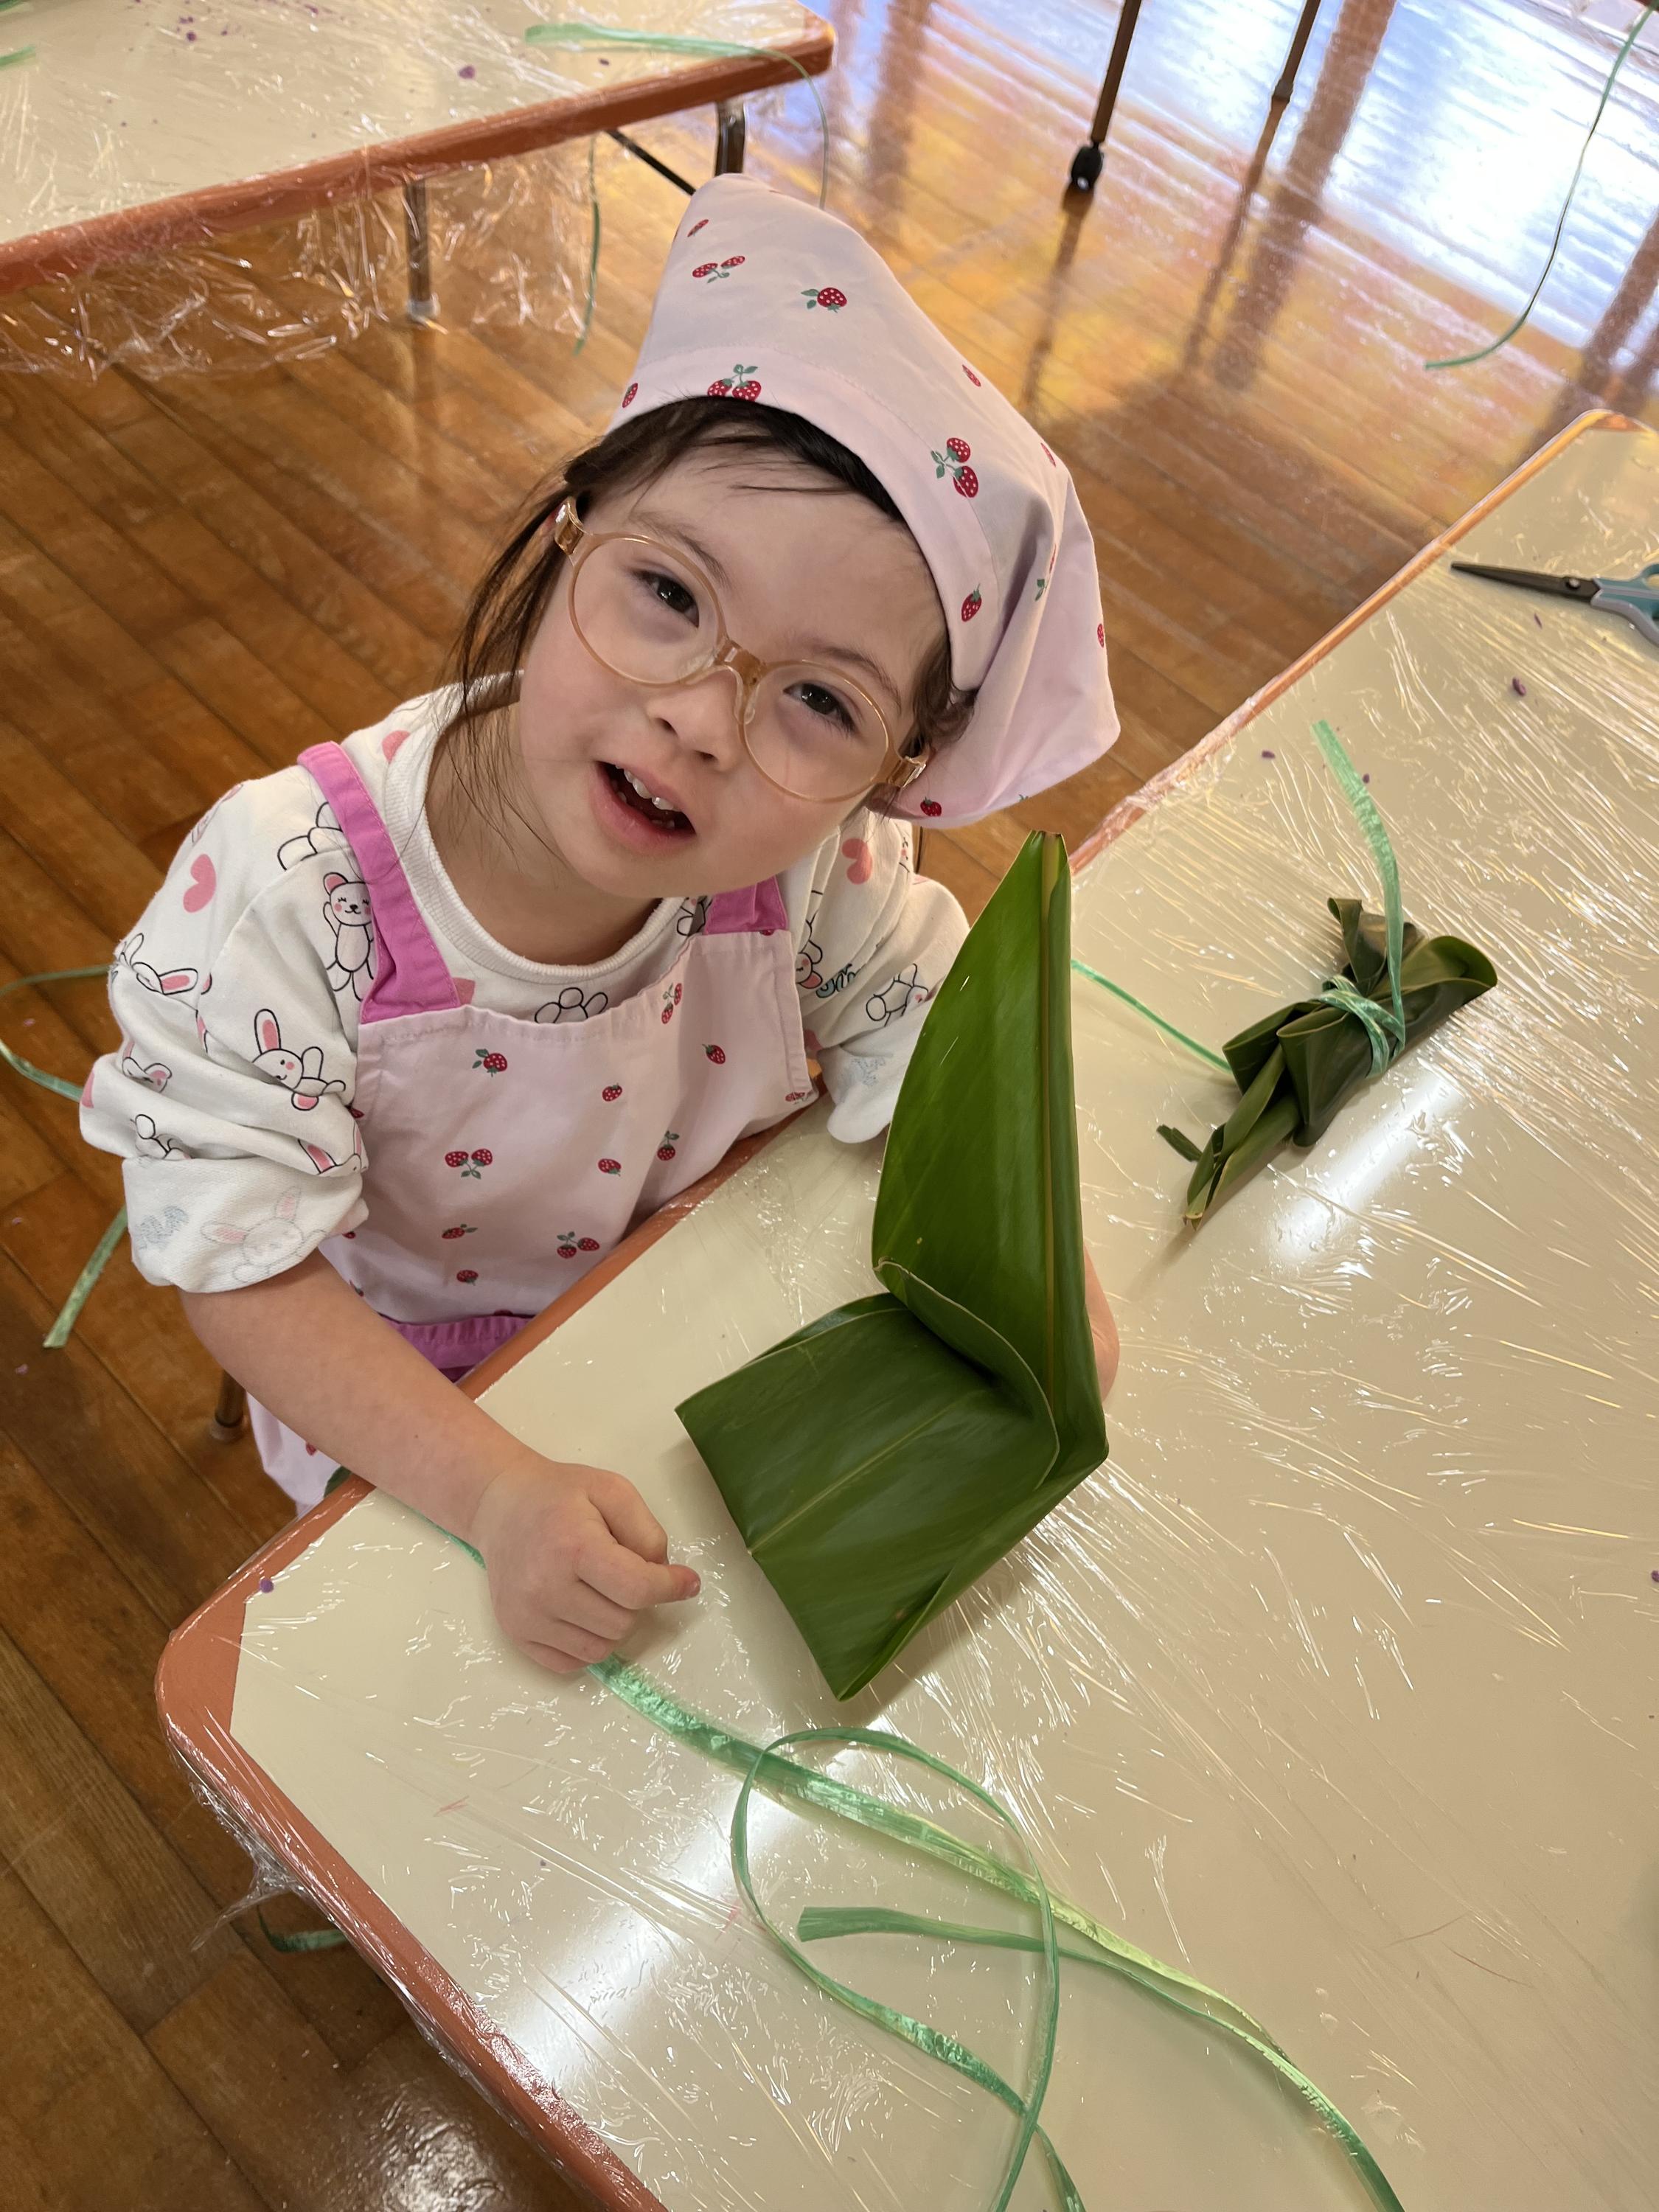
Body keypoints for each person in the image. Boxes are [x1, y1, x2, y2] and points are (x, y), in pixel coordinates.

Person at [82, 175, 1121, 1674]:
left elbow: (937, 1040)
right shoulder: (284, 893)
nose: (700, 717)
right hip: (425, 1398)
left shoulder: (816, 870)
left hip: (701, 1315)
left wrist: (1041, 1269)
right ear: (573, 530)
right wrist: (496, 1495)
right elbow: (238, 1265)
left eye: (818, 701)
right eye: (669, 594)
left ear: (895, 773)